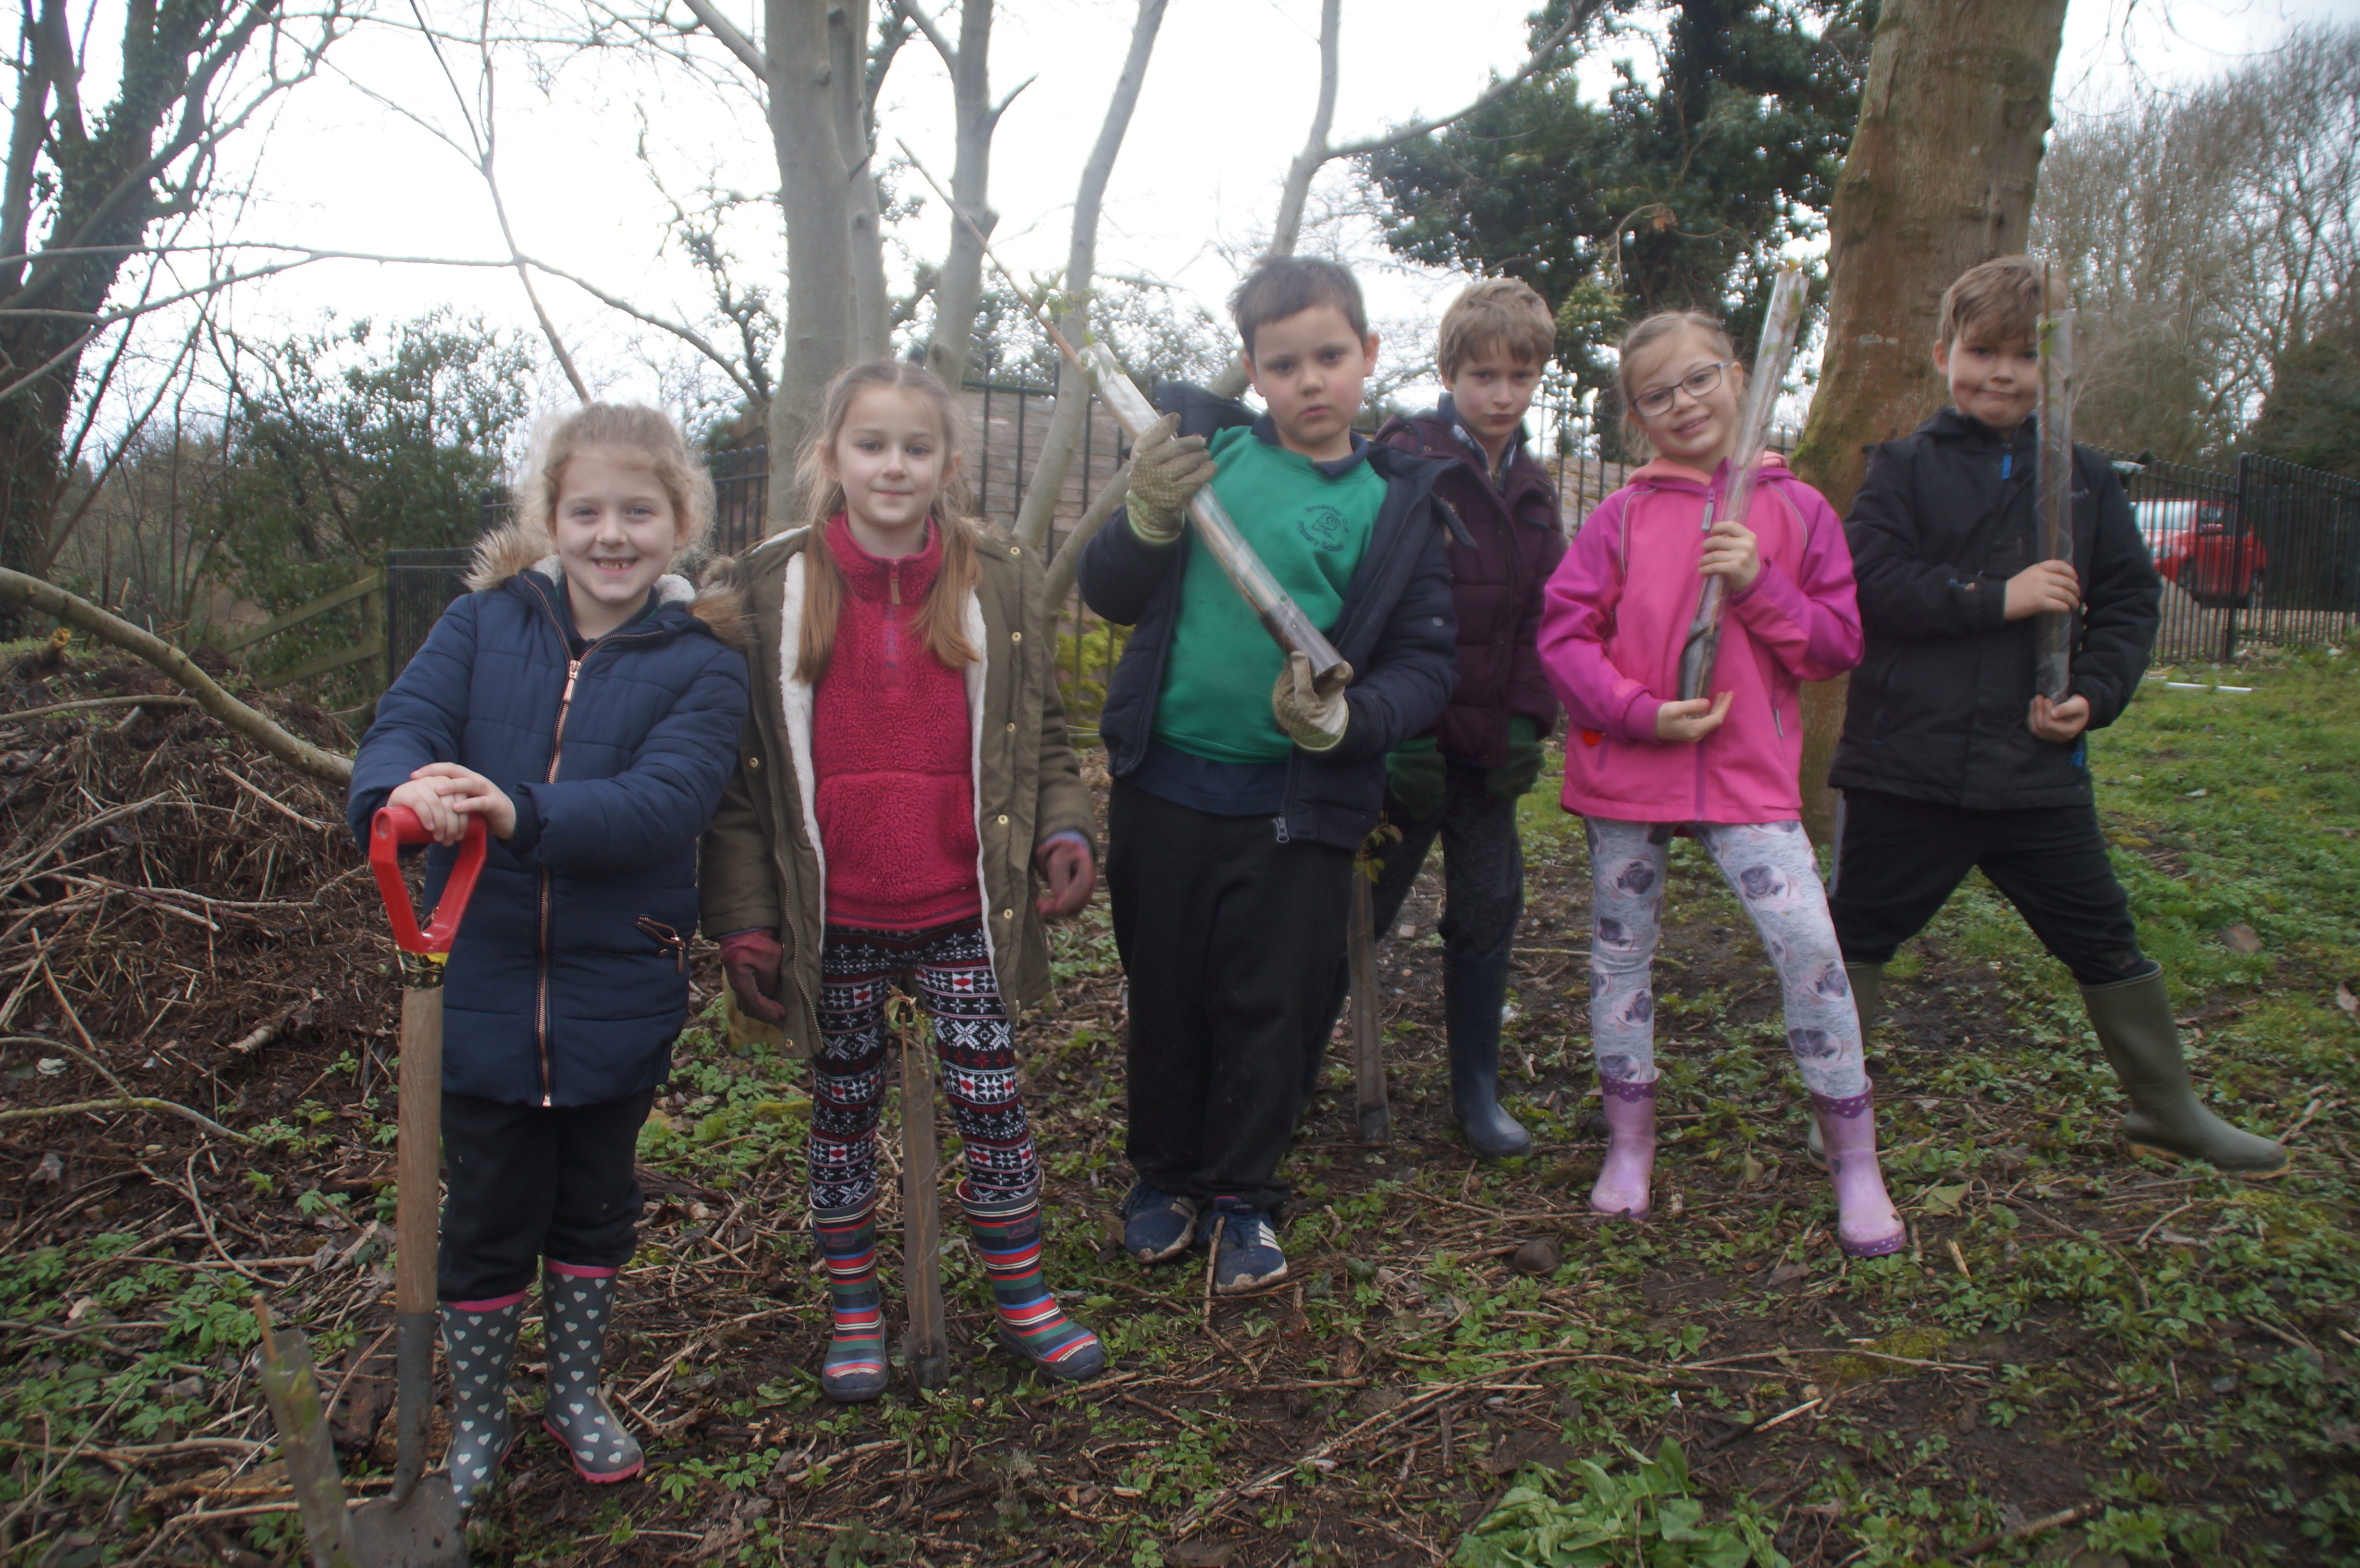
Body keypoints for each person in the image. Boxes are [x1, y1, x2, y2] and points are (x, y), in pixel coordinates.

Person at [347, 404, 751, 1508]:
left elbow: (665, 805)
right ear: (548, 518)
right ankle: (478, 1420)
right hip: (470, 984)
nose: (610, 536)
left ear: (680, 523)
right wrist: (403, 791)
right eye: (586, 511)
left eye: (638, 512)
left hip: (615, 984)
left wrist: (515, 812)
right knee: (483, 1215)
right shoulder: (479, 626)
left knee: (593, 1204)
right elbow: (405, 722)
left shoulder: (704, 665)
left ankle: (575, 1392)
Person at [1826, 255, 2286, 1176]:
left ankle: (2169, 1111)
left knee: (2103, 934)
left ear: (2053, 369)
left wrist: (2093, 698)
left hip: (2035, 772)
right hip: (1904, 766)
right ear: (1942, 354)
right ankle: (1836, 1110)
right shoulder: (1902, 470)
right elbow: (1869, 585)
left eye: (2024, 355)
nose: (2001, 371)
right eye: (1982, 349)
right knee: (1858, 937)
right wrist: (2000, 597)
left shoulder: (2085, 481)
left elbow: (2126, 606)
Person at [700, 360, 1106, 1402]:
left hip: (959, 912)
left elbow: (1042, 740)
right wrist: (750, 926)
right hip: (831, 922)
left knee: (994, 1104)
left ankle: (1020, 1296)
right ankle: (853, 1312)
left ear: (948, 466)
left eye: (915, 448)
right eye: (870, 445)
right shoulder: (772, 585)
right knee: (840, 1115)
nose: (893, 465)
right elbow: (744, 786)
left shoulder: (995, 577)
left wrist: (1064, 828)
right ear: (829, 459)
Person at [1079, 255, 1460, 1293]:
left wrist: (1347, 721)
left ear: (1368, 357)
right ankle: (1163, 1177)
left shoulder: (1397, 505)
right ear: (1253, 370)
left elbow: (1428, 664)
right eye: (1283, 363)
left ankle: (1245, 1195)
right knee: (1164, 991)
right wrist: (1148, 521)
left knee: (1269, 999)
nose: (1309, 381)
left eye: (1329, 357)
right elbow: (1107, 590)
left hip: (1297, 805)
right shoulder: (1208, 462)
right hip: (1165, 790)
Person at [1537, 309, 1905, 1255]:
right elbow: (1563, 635)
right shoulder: (1620, 518)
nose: (1682, 404)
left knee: (1807, 949)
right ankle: (1628, 1143)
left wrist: (1758, 585)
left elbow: (1834, 646)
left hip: (1747, 782)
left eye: (1698, 379)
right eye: (1655, 394)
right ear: (1634, 416)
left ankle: (1853, 1161)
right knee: (1620, 958)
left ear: (1737, 374)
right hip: (1629, 774)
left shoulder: (1797, 509)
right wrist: (1636, 711)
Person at [1322, 276, 1569, 1160]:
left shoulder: (1535, 491)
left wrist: (1529, 723)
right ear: (1449, 371)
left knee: (1491, 905)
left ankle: (1477, 1092)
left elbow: (1550, 616)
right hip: (1407, 744)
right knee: (1362, 907)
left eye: (1521, 375)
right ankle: (1296, 1063)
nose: (1502, 395)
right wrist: (1399, 732)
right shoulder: (1406, 460)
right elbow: (1377, 603)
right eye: (1483, 376)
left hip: (1487, 749)